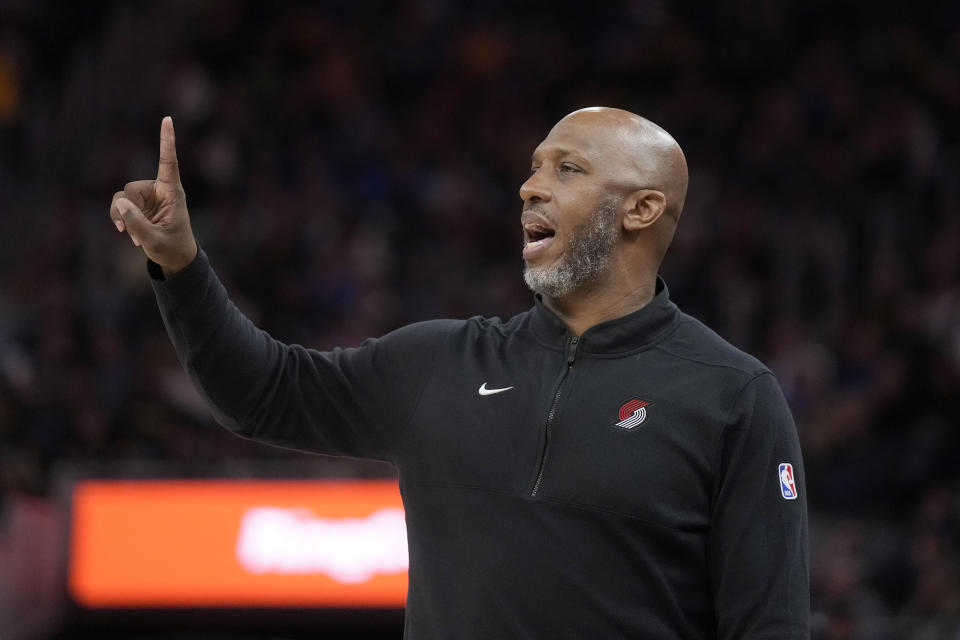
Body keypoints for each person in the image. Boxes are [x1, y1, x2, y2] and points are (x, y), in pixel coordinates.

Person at [109, 107, 809, 638]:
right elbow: (262, 393)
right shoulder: (441, 363)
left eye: (567, 169)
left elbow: (769, 627)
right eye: (534, 166)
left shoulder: (732, 397)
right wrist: (180, 264)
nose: (530, 187)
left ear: (643, 208)